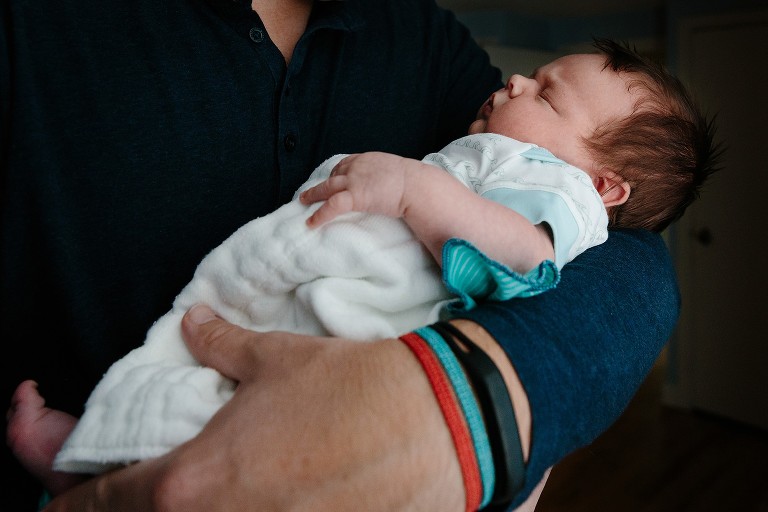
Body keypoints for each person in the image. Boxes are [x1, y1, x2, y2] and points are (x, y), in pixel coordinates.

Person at [1, 1, 712, 511]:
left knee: (229, 408)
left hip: (366, 327)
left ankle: (91, 456)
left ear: (605, 187)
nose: (517, 82)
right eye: (534, 78)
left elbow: (549, 259)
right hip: (294, 298)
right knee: (196, 384)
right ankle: (94, 449)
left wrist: (470, 406)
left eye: (548, 94)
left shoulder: (551, 181)